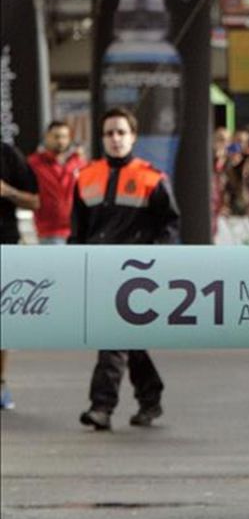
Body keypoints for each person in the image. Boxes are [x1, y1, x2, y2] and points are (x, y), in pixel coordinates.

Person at [71, 108, 180, 430]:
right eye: (109, 133)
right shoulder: (87, 177)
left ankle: (101, 406)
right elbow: (77, 230)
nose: (115, 139)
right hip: (98, 270)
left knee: (113, 337)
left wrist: (154, 260)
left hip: (135, 276)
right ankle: (151, 397)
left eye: (121, 132)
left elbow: (170, 224)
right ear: (102, 138)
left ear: (133, 136)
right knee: (127, 338)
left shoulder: (152, 178)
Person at [0, 141, 40, 410]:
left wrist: (7, 191)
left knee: (2, 321)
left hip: (3, 245)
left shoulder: (8, 154)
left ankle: (0, 382)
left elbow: (35, 200)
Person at [27, 120, 87, 244]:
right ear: (47, 137)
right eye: (56, 136)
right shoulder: (34, 163)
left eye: (64, 136)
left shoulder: (79, 163)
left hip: (76, 230)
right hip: (47, 231)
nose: (60, 141)